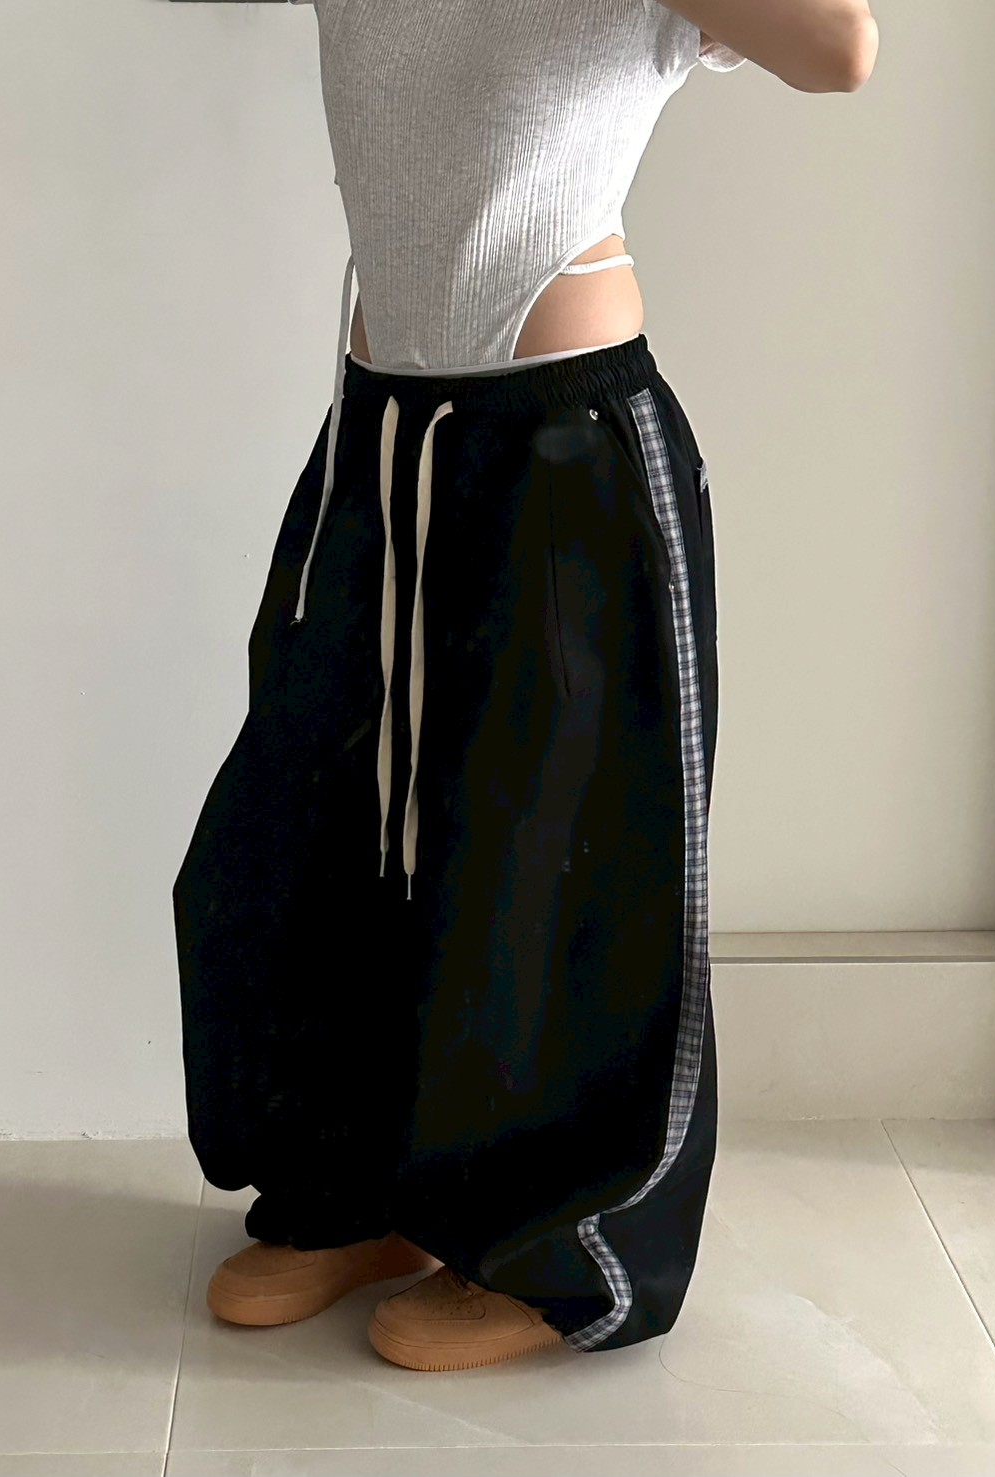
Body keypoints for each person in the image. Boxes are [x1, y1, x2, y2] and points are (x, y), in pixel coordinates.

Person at [171, 0, 879, 1372]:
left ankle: (550, 1248)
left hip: (566, 439)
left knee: (556, 856)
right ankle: (356, 1192)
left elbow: (841, 47)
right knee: (319, 833)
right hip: (379, 436)